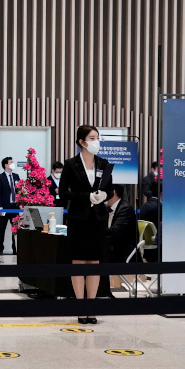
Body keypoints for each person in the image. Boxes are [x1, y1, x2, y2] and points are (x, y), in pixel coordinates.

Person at [59, 125, 114, 324]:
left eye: (97, 138)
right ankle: (80, 308)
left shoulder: (104, 163)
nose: (96, 141)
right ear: (82, 141)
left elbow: (110, 188)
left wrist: (103, 195)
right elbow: (63, 192)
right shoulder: (71, 164)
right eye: (92, 138)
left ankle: (91, 307)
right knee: (78, 262)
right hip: (78, 219)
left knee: (94, 262)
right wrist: (87, 197)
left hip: (98, 219)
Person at [0, 156, 21, 254]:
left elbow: (19, 191)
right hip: (5, 207)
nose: (13, 163)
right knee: (2, 228)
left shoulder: (16, 176)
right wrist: (0, 208)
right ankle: (0, 248)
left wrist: (20, 203)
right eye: (11, 162)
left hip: (15, 207)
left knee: (16, 228)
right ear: (6, 165)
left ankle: (16, 249)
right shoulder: (0, 177)